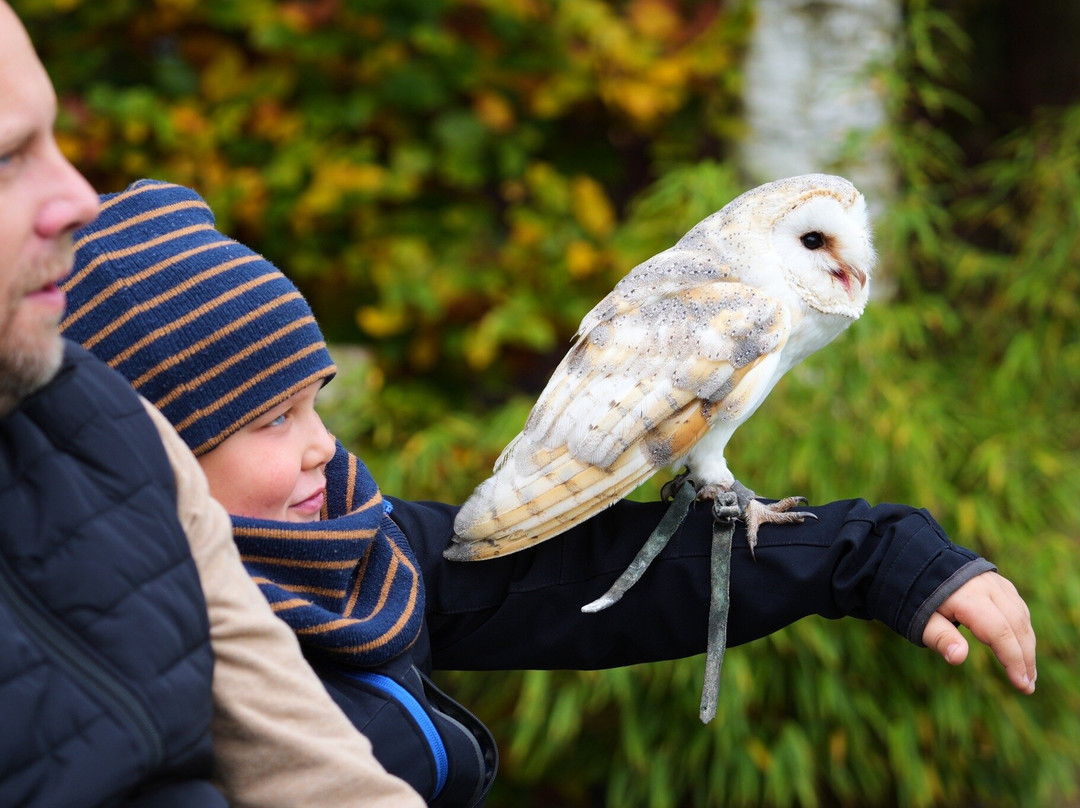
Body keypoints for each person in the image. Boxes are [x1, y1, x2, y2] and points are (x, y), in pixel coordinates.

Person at [60, 178, 1037, 806]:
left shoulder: (355, 553)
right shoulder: (92, 674)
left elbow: (571, 581)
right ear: (148, 448)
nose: (325, 448)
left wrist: (871, 555)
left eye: (316, 404)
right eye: (271, 420)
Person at [0, 5, 426, 806]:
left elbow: (309, 769)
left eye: (54, 140)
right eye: (5, 157)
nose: (78, 198)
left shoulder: (101, 420)